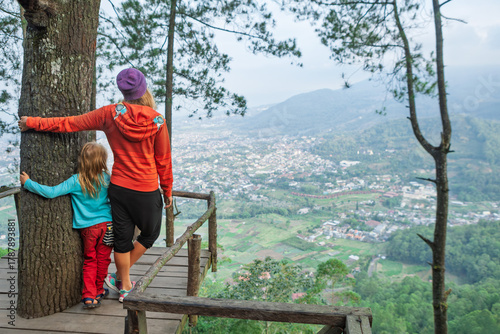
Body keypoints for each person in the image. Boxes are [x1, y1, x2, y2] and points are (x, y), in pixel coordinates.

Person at [19, 68, 173, 303]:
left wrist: (32, 122)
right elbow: (163, 159)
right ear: (143, 89)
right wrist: (168, 189)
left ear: (123, 90)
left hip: (119, 187)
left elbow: (70, 123)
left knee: (121, 241)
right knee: (150, 234)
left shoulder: (109, 114)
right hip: (147, 188)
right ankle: (121, 279)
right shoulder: (157, 121)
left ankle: (124, 285)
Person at [20, 142, 113, 309]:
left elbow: (51, 192)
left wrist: (28, 183)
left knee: (90, 260)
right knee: (103, 260)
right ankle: (99, 290)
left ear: (82, 161)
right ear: (102, 160)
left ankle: (89, 295)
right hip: (108, 226)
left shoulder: (76, 181)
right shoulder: (107, 178)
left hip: (88, 229)